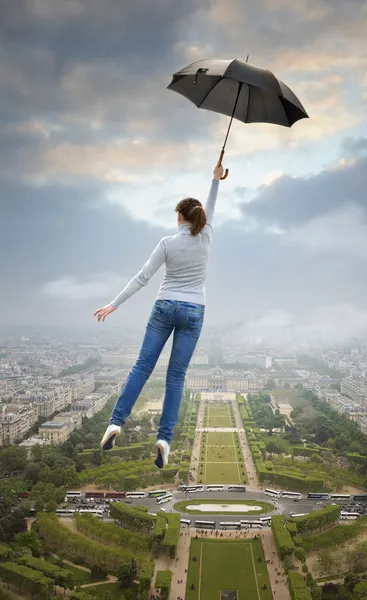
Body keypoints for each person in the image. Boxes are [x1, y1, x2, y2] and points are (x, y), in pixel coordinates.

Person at [94, 162, 224, 468]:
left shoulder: (167, 243)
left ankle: (116, 422)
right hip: (194, 310)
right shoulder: (206, 237)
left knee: (142, 367)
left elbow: (142, 278)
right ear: (199, 217)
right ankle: (164, 439)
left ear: (178, 216)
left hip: (164, 306)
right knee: (176, 377)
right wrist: (215, 180)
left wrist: (114, 304)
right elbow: (212, 203)